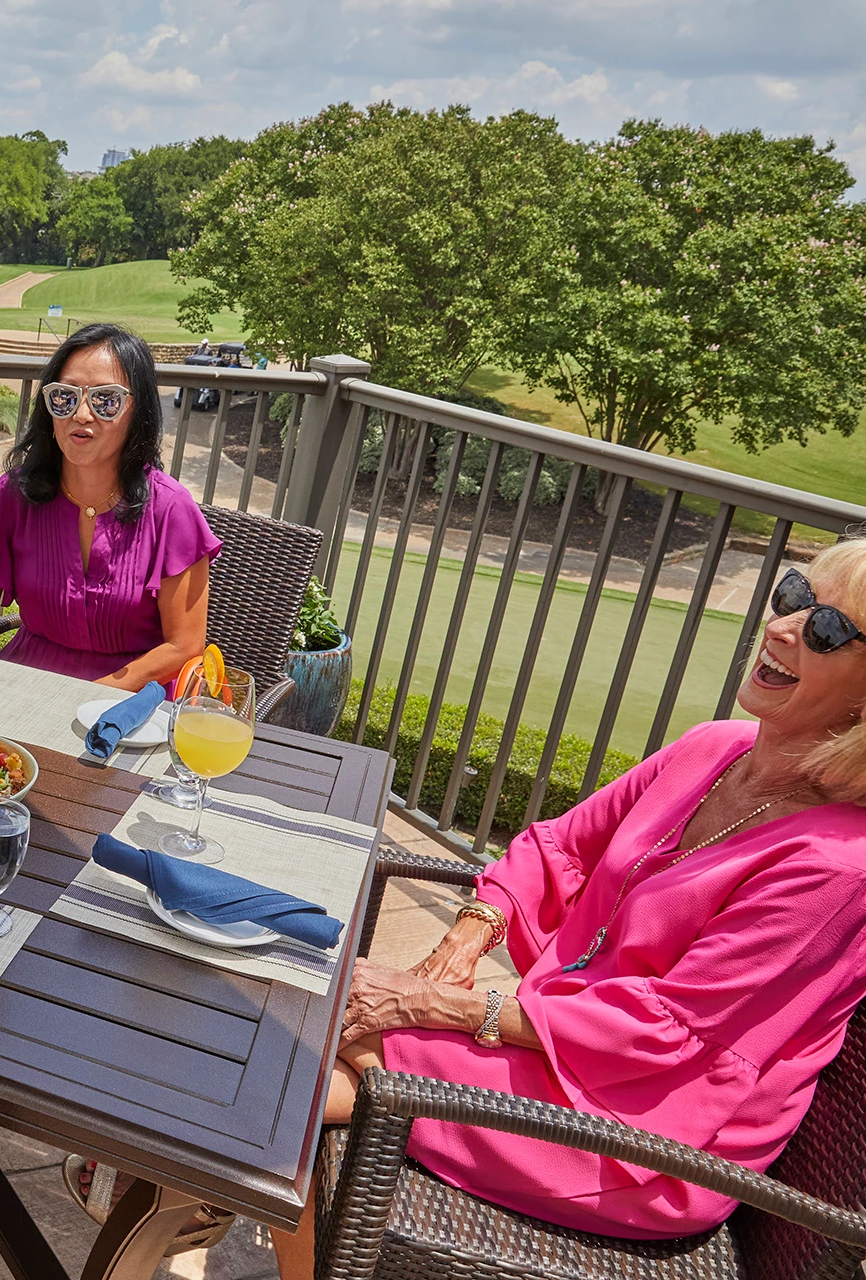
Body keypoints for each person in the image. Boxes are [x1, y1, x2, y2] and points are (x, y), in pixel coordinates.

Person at [284, 539, 866, 1275]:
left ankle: (175, 1185)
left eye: (827, 631)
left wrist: (440, 1007)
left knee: (309, 1056)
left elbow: (664, 1033)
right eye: (792, 595)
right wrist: (469, 936)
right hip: (564, 1047)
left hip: (649, 1135)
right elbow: (561, 845)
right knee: (308, 1019)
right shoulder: (715, 747)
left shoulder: (837, 866)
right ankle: (204, 1196)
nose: (784, 627)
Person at [0, 323, 219, 691]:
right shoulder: (14, 496)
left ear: (135, 410)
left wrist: (87, 697)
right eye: (64, 397)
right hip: (22, 687)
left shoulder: (171, 510)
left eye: (105, 400)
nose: (80, 414)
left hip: (126, 705)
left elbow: (183, 646)